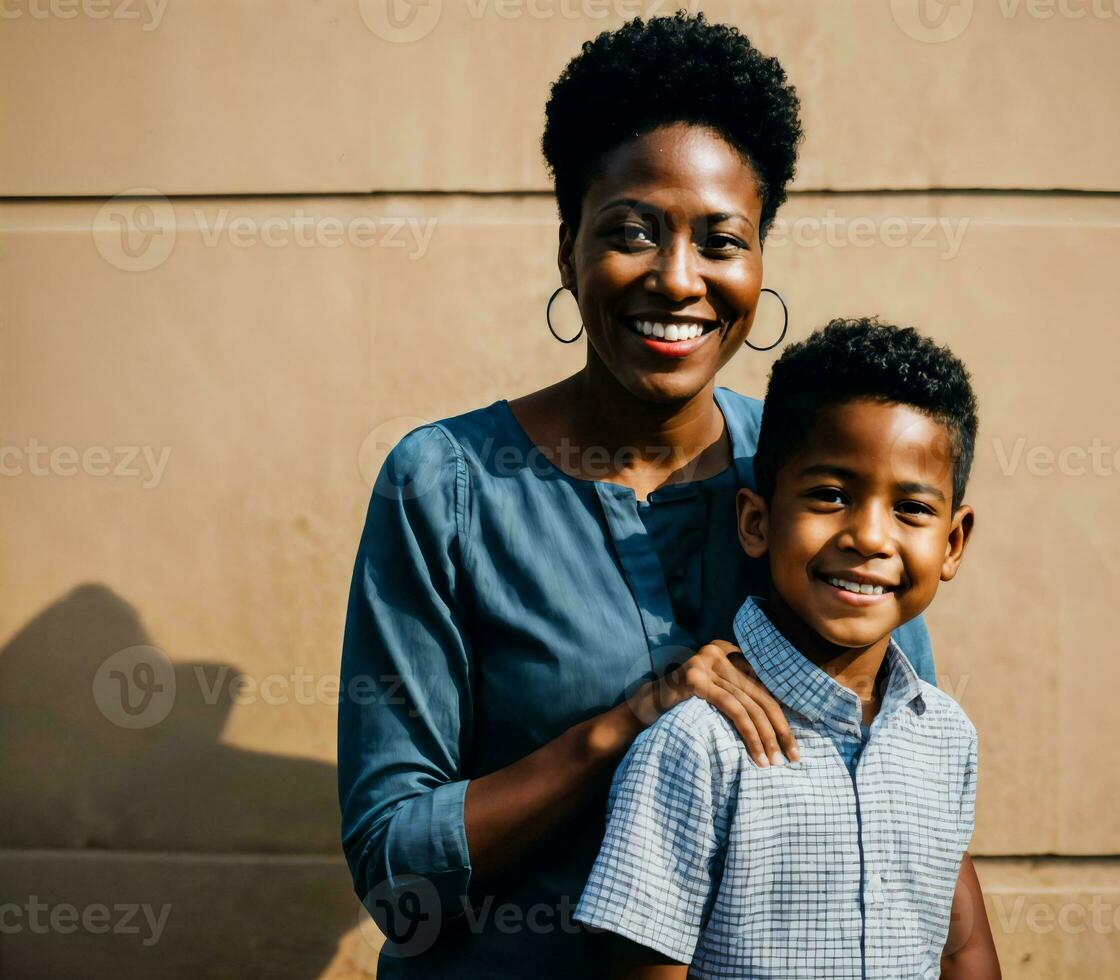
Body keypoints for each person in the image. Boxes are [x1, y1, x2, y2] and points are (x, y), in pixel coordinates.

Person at [337, 14, 960, 978]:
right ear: (566, 249)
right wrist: (628, 722)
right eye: (631, 231)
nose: (678, 279)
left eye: (721, 240)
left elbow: (904, 786)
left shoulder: (821, 481)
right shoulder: (447, 486)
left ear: (758, 263)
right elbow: (391, 865)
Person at [575, 319, 1002, 979]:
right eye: (830, 496)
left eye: (910, 509)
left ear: (951, 544)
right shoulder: (696, 746)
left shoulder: (945, 736)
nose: (868, 536)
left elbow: (958, 944)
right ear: (755, 521)